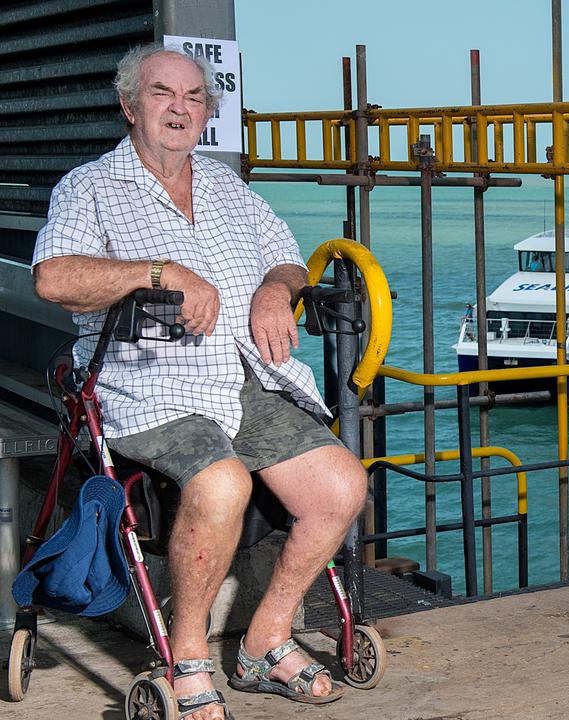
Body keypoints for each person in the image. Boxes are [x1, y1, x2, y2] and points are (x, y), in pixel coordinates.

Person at [31, 45, 366, 719]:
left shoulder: (225, 187)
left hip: (242, 376)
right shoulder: (90, 187)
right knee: (223, 482)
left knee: (342, 486)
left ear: (206, 113)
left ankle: (265, 640)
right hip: (147, 385)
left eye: (192, 98)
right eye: (163, 94)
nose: (180, 109)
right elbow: (53, 279)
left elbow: (286, 259)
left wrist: (277, 288)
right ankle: (187, 659)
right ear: (131, 107)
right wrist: (159, 272)